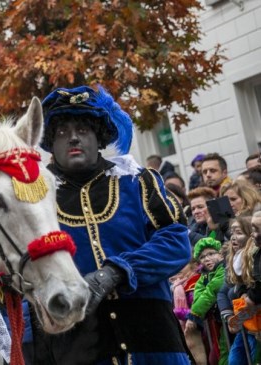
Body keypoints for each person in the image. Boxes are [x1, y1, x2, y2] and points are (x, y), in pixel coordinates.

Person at [30, 85, 191, 364]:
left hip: (152, 341)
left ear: (99, 136)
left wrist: (117, 271)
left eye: (83, 129)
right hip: (81, 347)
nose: (73, 138)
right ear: (50, 144)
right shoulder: (34, 197)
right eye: (62, 132)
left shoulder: (138, 182)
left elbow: (176, 243)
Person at [217, 216, 257, 364]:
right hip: (247, 326)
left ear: (251, 235)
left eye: (239, 232)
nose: (233, 237)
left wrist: (239, 318)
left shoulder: (255, 259)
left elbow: (256, 295)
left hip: (256, 326)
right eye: (232, 232)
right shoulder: (235, 261)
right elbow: (223, 292)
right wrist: (231, 319)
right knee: (234, 360)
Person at [185, 237, 225, 365]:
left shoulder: (223, 268)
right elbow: (199, 293)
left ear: (220, 253)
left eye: (211, 254)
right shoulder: (204, 276)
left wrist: (195, 314)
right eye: (202, 257)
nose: (207, 259)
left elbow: (212, 290)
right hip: (216, 321)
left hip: (230, 318)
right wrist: (194, 313)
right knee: (215, 356)